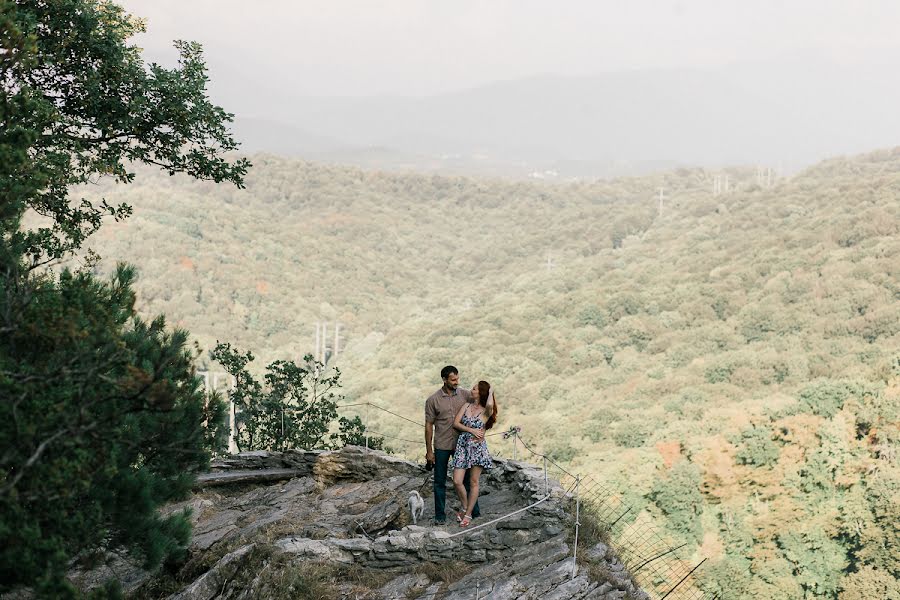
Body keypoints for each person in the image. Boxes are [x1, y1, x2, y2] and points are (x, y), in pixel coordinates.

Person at [424, 365, 480, 524]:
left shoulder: (464, 395)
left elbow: (481, 402)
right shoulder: (432, 400)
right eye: (453, 379)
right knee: (439, 482)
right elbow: (428, 426)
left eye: (457, 378)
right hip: (441, 445)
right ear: (444, 380)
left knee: (468, 479)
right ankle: (440, 517)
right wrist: (429, 451)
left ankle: (474, 512)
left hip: (462, 445)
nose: (457, 382)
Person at [451, 381, 497, 527]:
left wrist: (491, 392)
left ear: (481, 392)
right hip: (463, 446)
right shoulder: (466, 406)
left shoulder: (485, 411)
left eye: (475, 388)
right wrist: (471, 430)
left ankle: (468, 514)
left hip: (477, 448)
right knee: (457, 481)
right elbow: (456, 424)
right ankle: (465, 508)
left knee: (474, 482)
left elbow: (490, 406)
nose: (472, 390)